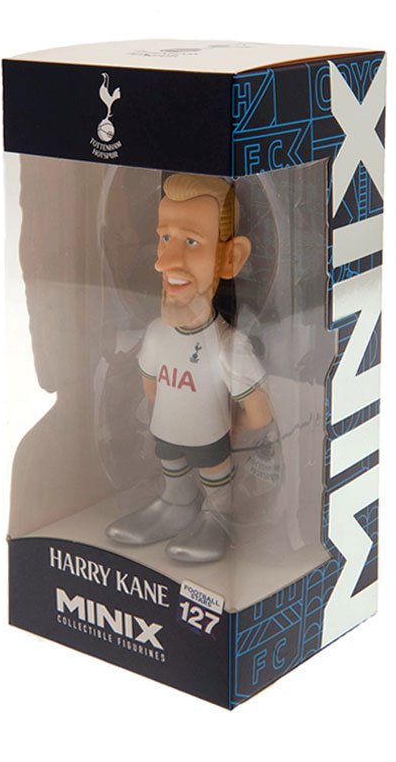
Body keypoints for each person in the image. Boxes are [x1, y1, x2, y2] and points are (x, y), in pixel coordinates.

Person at [106, 173, 273, 563]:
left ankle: (217, 513)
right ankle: (176, 503)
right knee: (172, 465)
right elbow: (151, 388)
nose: (163, 261)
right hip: (167, 434)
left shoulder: (229, 347)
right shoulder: (156, 334)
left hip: (211, 442)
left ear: (229, 258)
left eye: (191, 241)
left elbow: (260, 412)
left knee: (215, 473)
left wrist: (232, 428)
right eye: (165, 238)